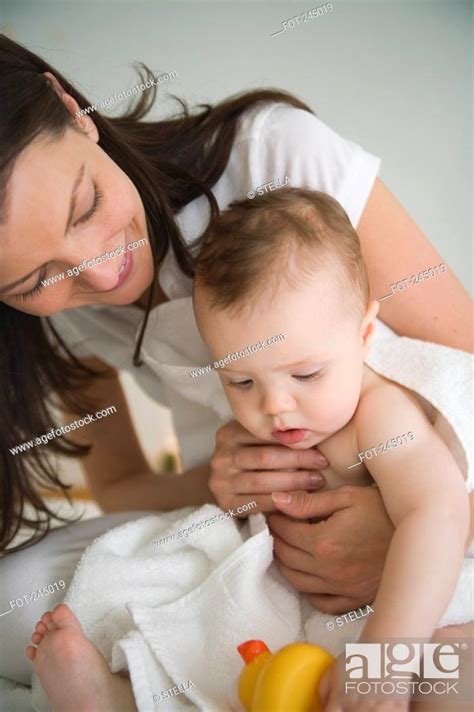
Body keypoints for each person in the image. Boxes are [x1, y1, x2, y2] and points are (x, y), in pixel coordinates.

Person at [0, 33, 472, 695]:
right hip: (269, 542)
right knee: (13, 596)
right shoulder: (64, 320)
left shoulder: (273, 164)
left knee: (453, 673)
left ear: (71, 106)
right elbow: (124, 484)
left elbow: (439, 501)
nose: (102, 276)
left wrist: (391, 560)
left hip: (438, 544)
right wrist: (218, 485)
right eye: (33, 280)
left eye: (86, 208)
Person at [191, 186, 471, 710]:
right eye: (240, 383)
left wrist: (385, 660)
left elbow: (437, 511)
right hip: (319, 624)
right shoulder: (274, 419)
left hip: (427, 612)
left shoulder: (379, 414)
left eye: (306, 373)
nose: (275, 407)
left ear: (364, 335)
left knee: (450, 680)